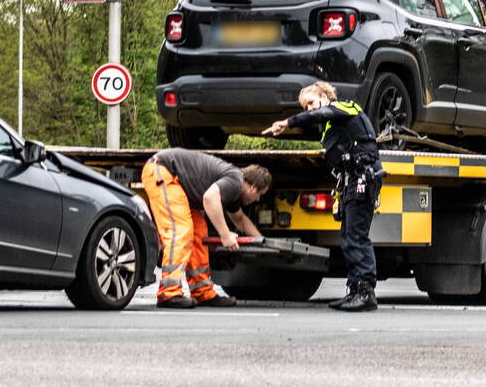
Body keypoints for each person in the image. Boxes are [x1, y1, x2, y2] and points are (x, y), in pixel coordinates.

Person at [262, 81, 384, 312]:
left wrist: (287, 122)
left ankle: (366, 293)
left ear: (325, 96)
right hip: (351, 181)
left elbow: (322, 113)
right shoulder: (331, 125)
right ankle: (355, 291)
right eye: (305, 106)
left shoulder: (346, 108)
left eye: (311, 103)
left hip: (362, 178)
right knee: (348, 237)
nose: (309, 109)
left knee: (357, 237)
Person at [141, 148, 272, 309]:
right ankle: (169, 293)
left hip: (176, 182)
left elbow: (240, 220)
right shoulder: (235, 180)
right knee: (181, 230)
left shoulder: (234, 190)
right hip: (163, 171)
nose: (257, 200)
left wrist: (263, 243)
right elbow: (210, 198)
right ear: (253, 188)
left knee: (199, 231)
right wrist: (225, 235)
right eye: (260, 195)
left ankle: (202, 292)